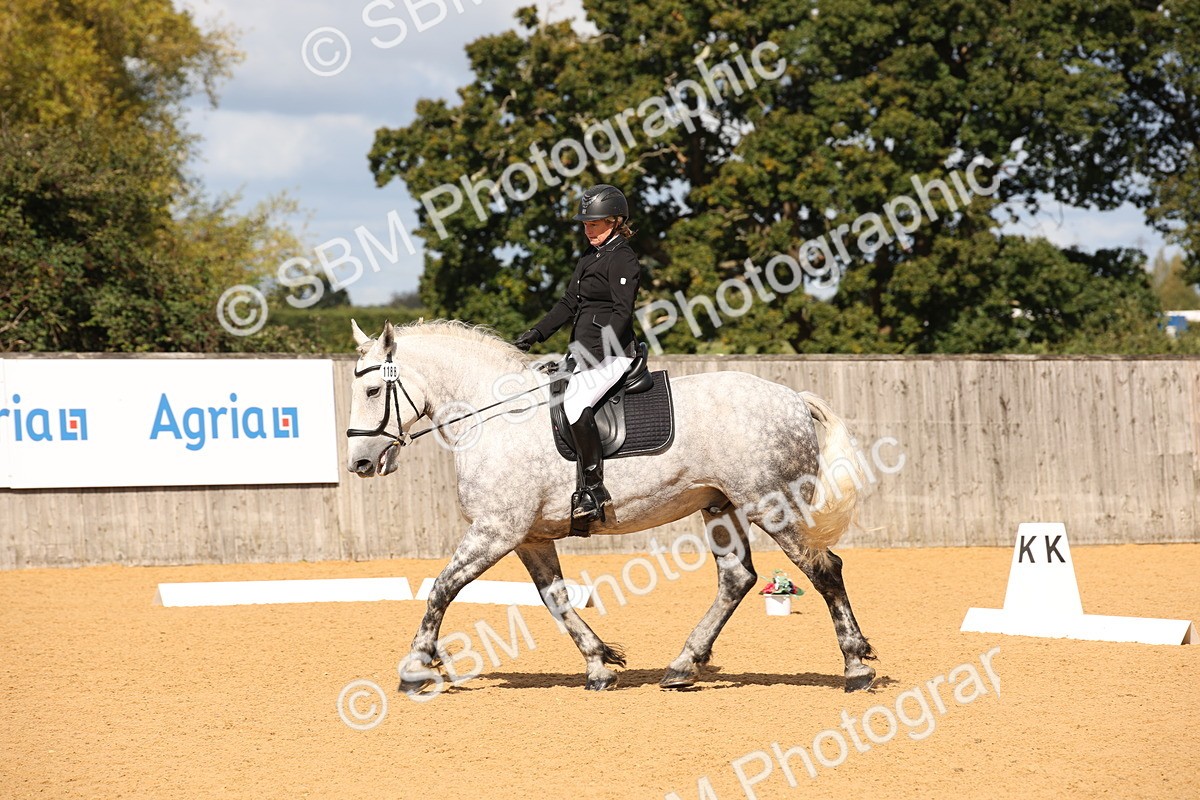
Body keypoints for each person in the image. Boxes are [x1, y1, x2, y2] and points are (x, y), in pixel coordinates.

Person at [513, 184, 641, 522]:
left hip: (613, 354)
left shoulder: (623, 258)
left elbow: (622, 312)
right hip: (582, 351)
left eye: (594, 224)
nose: (588, 231)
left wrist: (597, 351)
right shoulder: (589, 257)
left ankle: (594, 490)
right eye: (585, 225)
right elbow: (569, 303)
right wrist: (535, 334)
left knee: (575, 402)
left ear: (615, 221)